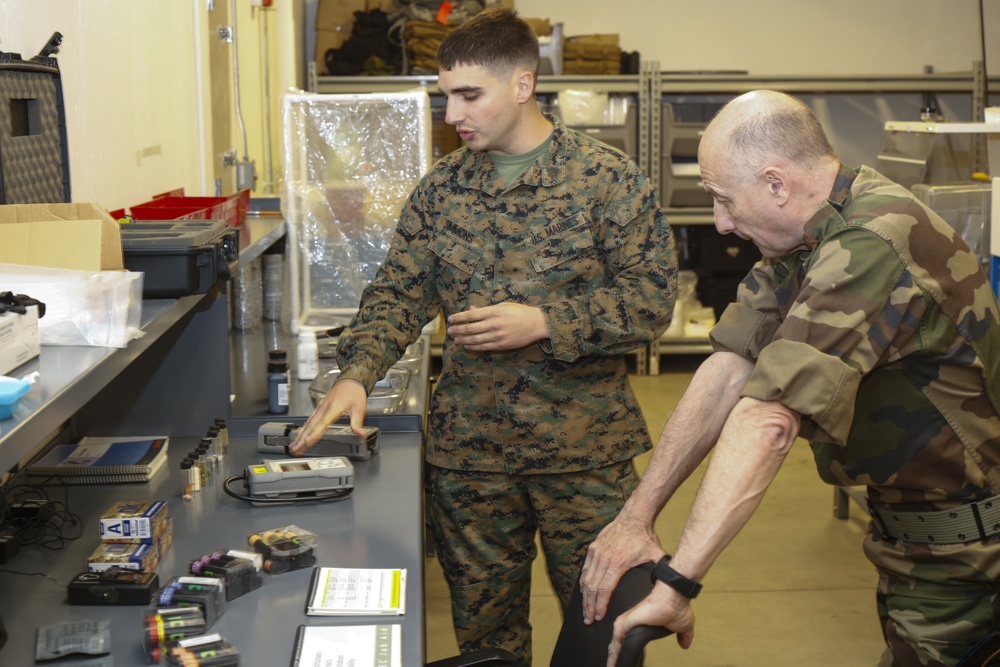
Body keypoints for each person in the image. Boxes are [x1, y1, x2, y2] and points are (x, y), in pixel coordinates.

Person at [289, 9, 677, 665]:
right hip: (473, 461)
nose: (451, 113)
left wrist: (547, 321)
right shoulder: (442, 190)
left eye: (469, 94)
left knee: (609, 633)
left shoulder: (605, 180)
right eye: (446, 95)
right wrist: (357, 371)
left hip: (583, 456)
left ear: (522, 84)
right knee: (487, 645)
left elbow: (653, 298)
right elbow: (398, 291)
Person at [580, 89, 1000, 667]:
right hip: (913, 538)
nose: (721, 225)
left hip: (969, 552)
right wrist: (636, 519)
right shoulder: (811, 234)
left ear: (777, 184)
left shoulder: (870, 242)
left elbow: (767, 420)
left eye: (724, 200)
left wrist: (678, 584)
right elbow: (729, 369)